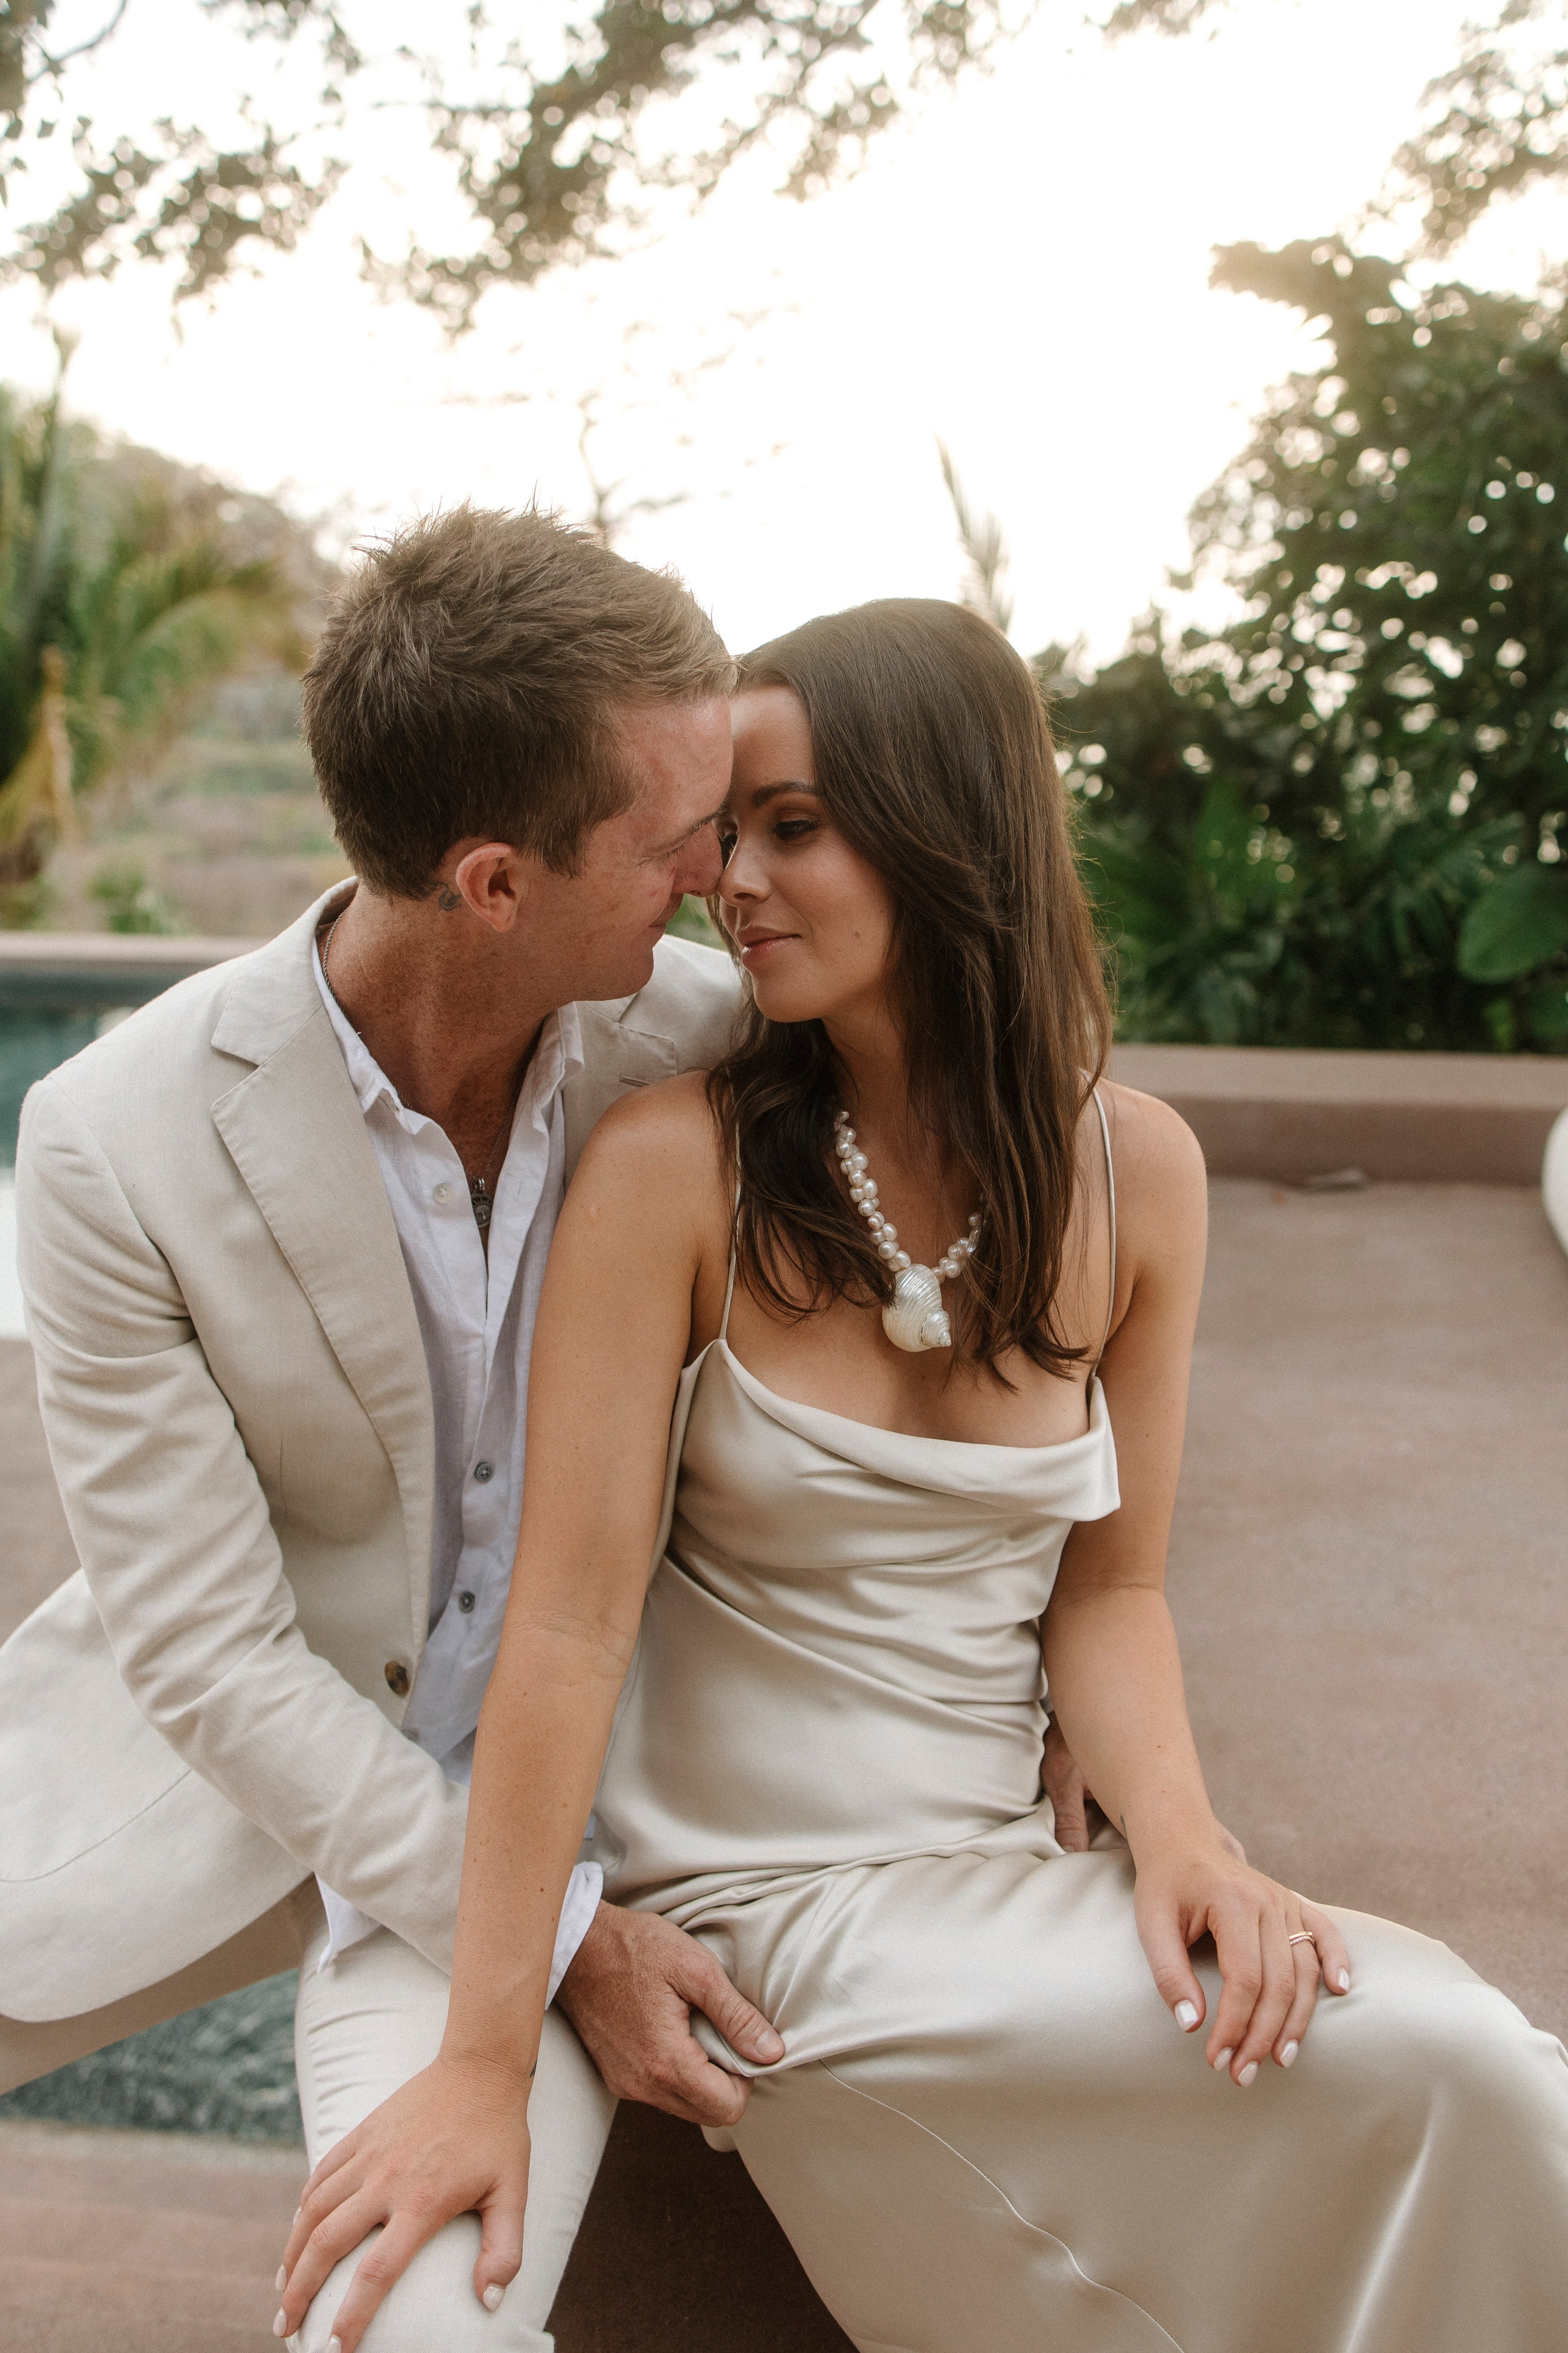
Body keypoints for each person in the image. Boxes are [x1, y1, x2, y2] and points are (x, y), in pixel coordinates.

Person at [276, 597, 1568, 2353]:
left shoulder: (1140, 1176)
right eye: (725, 830)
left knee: (1468, 2059)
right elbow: (566, 1631)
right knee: (1441, 2055)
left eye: (793, 826)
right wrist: (484, 2060)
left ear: (947, 830)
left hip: (1001, 1866)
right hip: (764, 1913)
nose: (733, 880)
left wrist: (1186, 1840)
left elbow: (1112, 1591)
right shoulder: (676, 1168)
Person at [0, 507, 824, 2351]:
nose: (718, 874)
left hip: (605, 1777)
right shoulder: (112, 1139)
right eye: (676, 838)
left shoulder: (713, 1044)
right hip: (230, 1764)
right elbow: (208, 1655)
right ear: (496, 883)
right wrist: (564, 1942)